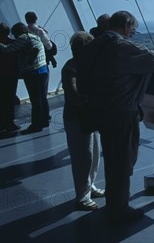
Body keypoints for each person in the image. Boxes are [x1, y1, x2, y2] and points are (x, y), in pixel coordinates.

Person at [77, 11, 154, 224]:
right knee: (123, 160)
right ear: (125, 25)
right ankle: (119, 209)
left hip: (102, 110)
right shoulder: (121, 46)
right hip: (121, 112)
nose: (133, 33)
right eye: (132, 29)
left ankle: (115, 204)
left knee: (114, 158)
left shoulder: (94, 46)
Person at [62, 31, 104, 211]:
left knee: (93, 155)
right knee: (83, 158)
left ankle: (89, 187)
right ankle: (82, 196)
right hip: (77, 118)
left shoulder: (80, 66)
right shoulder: (71, 68)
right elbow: (74, 96)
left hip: (88, 117)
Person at [0, 22, 49, 134]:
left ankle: (35, 125)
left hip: (33, 72)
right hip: (43, 70)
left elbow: (7, 49)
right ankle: (44, 120)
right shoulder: (34, 36)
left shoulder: (23, 38)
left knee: (35, 100)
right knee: (42, 97)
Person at [25, 11, 53, 123]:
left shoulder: (25, 32)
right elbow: (49, 46)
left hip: (29, 66)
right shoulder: (39, 31)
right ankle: (45, 115)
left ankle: (39, 117)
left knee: (35, 95)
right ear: (36, 18)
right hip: (42, 63)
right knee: (43, 93)